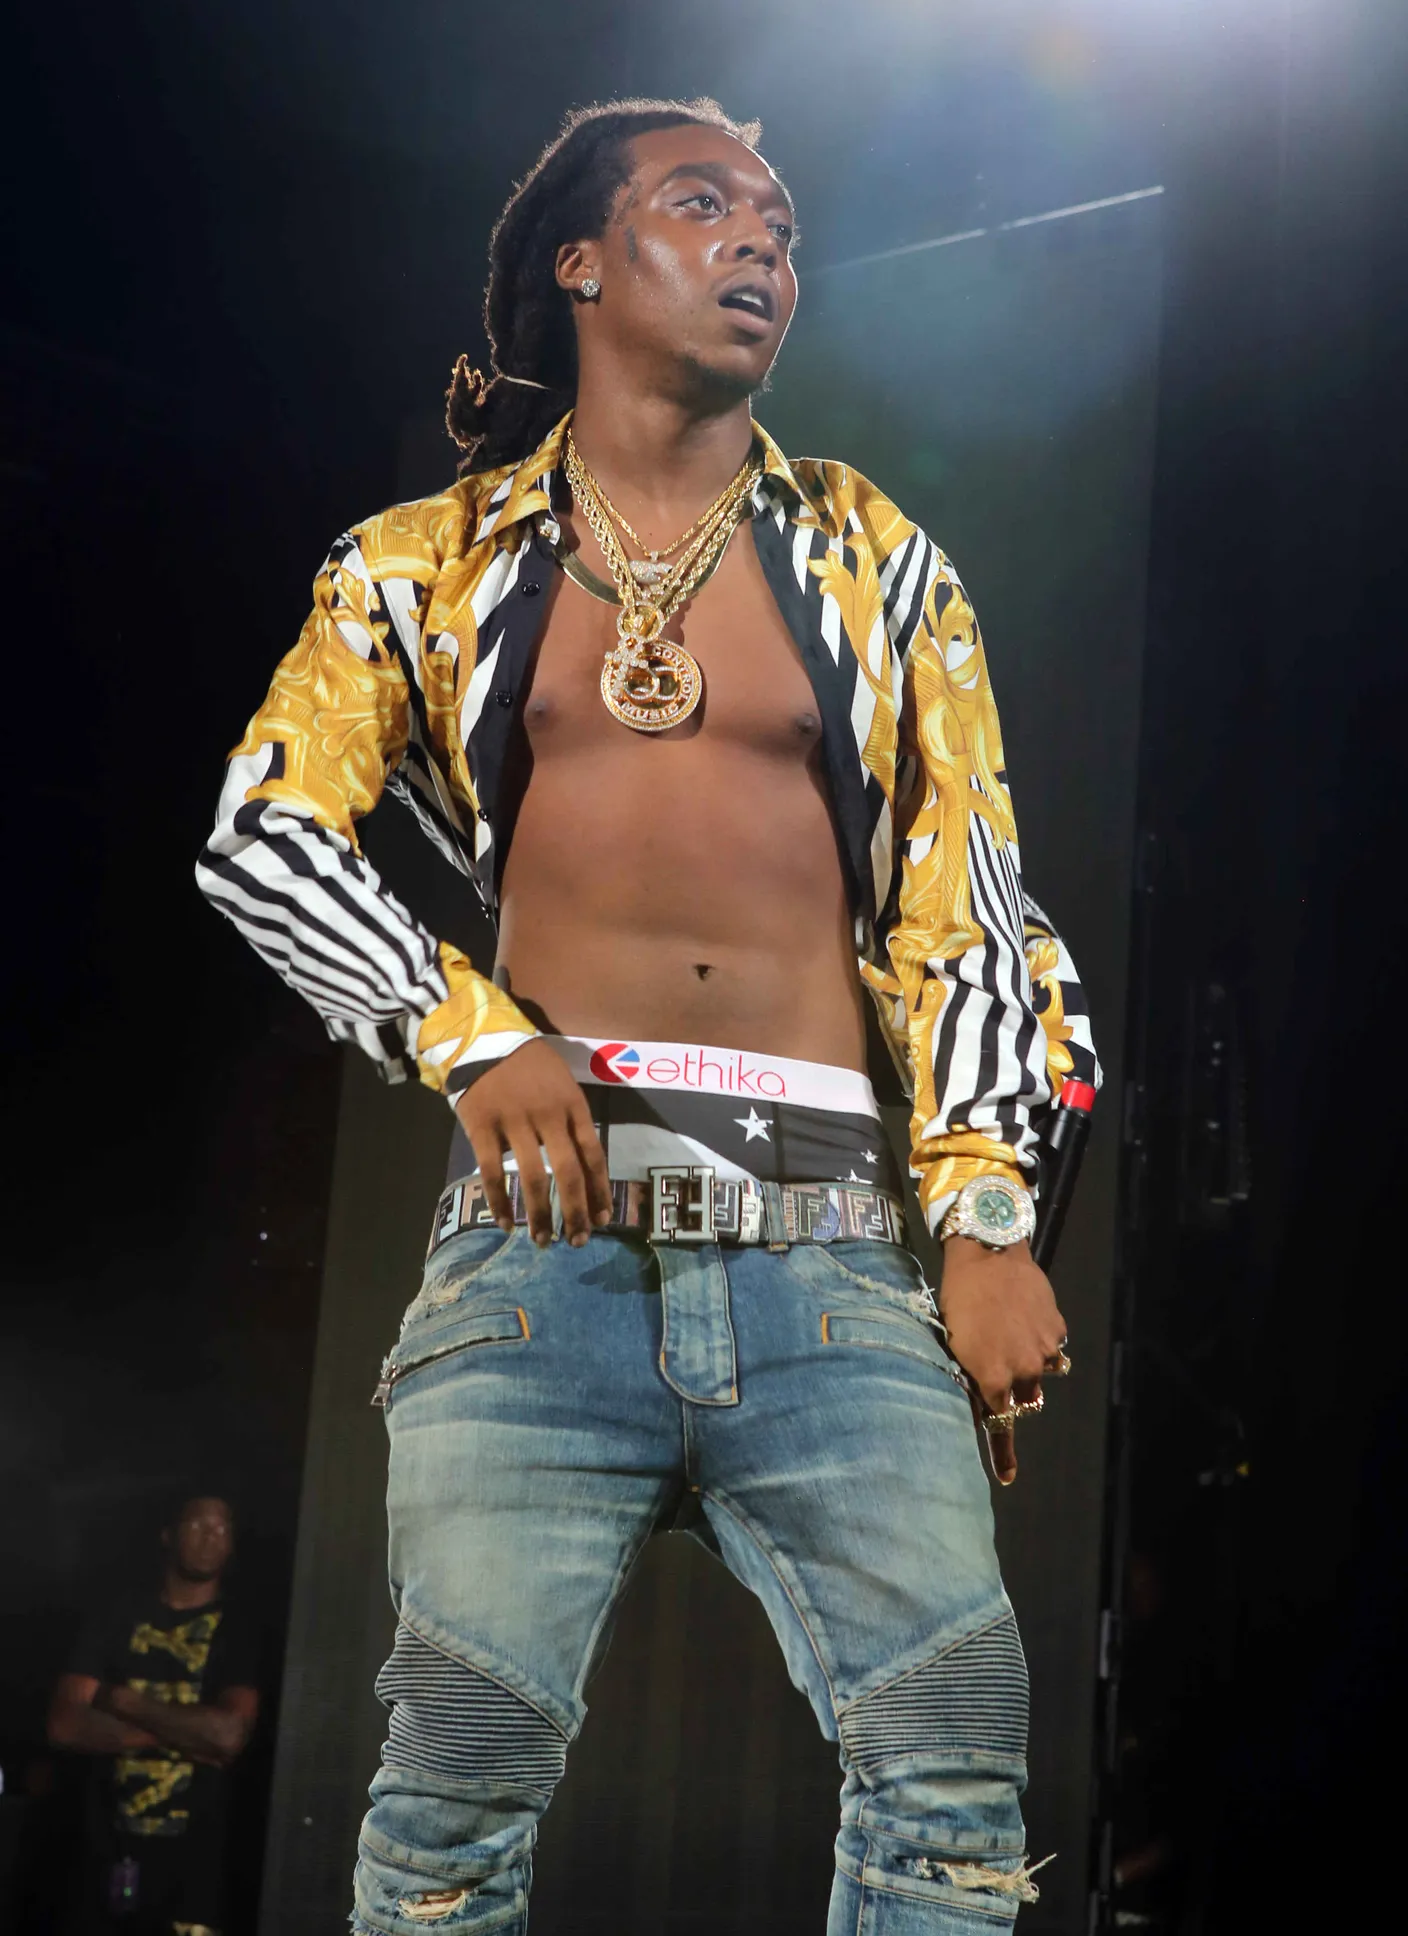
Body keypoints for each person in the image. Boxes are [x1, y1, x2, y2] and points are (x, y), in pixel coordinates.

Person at [197, 96, 1100, 1931]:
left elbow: (973, 899)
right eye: (704, 205)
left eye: (780, 223)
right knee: (450, 1793)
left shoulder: (877, 557)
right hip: (542, 1259)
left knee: (953, 1769)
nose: (761, 240)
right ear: (584, 261)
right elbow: (261, 831)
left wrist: (990, 1217)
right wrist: (462, 1031)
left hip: (834, 1256)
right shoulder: (426, 560)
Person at [48, 1495, 259, 1936]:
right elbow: (65, 1724)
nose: (211, 1537)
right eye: (199, 1524)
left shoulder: (239, 1629)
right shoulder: (117, 1616)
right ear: (169, 1534)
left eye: (222, 1529)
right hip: (102, 1855)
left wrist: (124, 1701)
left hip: (194, 1872)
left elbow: (228, 1737)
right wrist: (187, 1732)